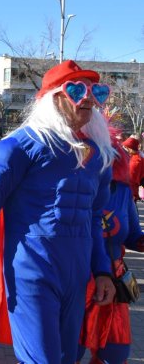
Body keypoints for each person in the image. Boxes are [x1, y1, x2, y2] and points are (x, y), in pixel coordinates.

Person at [0, 60, 116, 363]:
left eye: (96, 91)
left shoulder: (97, 156)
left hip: (77, 272)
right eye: (76, 90)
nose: (87, 99)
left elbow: (95, 218)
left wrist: (102, 270)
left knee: (68, 356)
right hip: (32, 270)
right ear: (54, 98)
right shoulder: (16, 148)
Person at [77, 125, 144, 363]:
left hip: (113, 283)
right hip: (75, 280)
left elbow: (133, 235)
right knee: (67, 351)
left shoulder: (123, 191)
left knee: (115, 353)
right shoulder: (72, 188)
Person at [122, 136, 144, 201]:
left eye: (125, 147)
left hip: (129, 191)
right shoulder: (137, 157)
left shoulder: (136, 160)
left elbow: (131, 179)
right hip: (130, 191)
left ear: (130, 149)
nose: (124, 149)